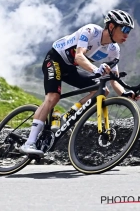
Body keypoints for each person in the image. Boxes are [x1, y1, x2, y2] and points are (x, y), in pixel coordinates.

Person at [19, 9, 136, 157]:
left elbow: (114, 78)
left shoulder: (114, 49)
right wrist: (95, 69)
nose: (127, 34)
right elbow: (79, 57)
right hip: (55, 59)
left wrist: (125, 93)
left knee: (102, 91)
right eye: (124, 29)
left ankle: (68, 116)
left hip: (70, 68)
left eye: (129, 30)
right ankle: (28, 143)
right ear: (111, 27)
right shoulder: (91, 31)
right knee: (53, 97)